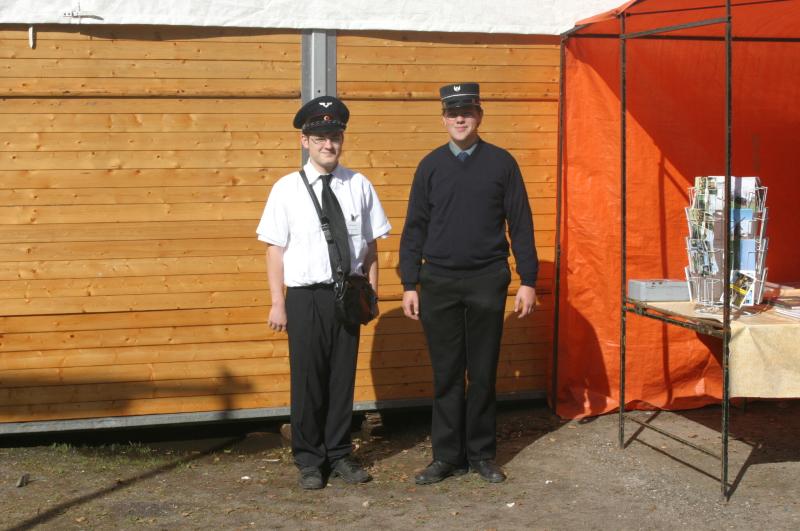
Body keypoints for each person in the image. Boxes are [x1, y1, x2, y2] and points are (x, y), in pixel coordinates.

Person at [399, 83, 538, 485]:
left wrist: (528, 279)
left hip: (486, 279)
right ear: (443, 118)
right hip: (438, 281)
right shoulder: (430, 166)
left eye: (467, 112)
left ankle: (480, 454)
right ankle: (446, 456)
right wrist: (410, 282)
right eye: (452, 113)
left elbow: (520, 223)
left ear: (479, 116)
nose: (460, 119)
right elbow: (415, 227)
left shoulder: (502, 164)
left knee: (482, 372)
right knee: (446, 373)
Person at [256, 96, 391, 490]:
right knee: (308, 379)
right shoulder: (286, 189)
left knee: (341, 378)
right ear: (305, 141)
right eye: (320, 138)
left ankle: (339, 453)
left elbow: (370, 247)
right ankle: (310, 459)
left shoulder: (359, 185)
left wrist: (372, 294)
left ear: (342, 139)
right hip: (305, 297)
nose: (328, 145)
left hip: (346, 296)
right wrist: (278, 302)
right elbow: (274, 250)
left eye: (334, 137)